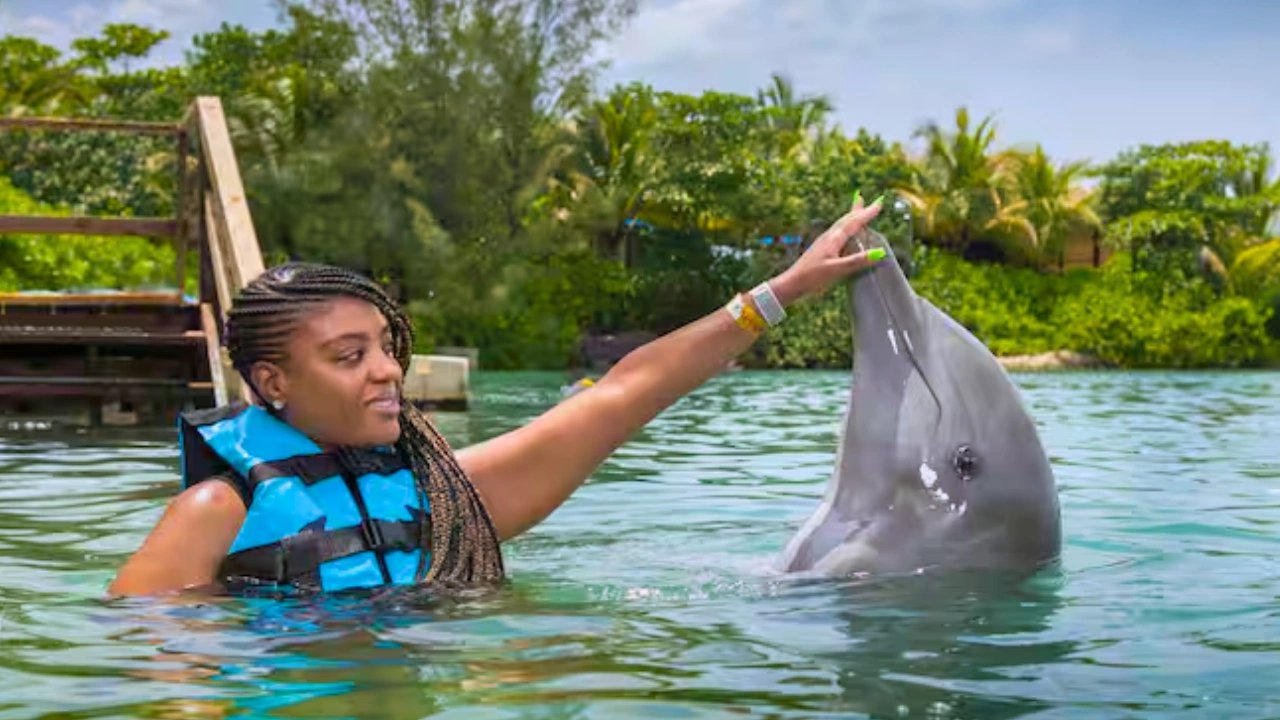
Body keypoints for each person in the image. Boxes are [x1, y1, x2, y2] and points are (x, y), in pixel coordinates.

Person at [108, 196, 886, 596]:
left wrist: (782, 292)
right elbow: (153, 661)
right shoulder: (215, 514)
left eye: (386, 346)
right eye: (350, 357)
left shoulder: (441, 497)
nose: (387, 371)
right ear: (273, 382)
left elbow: (622, 395)